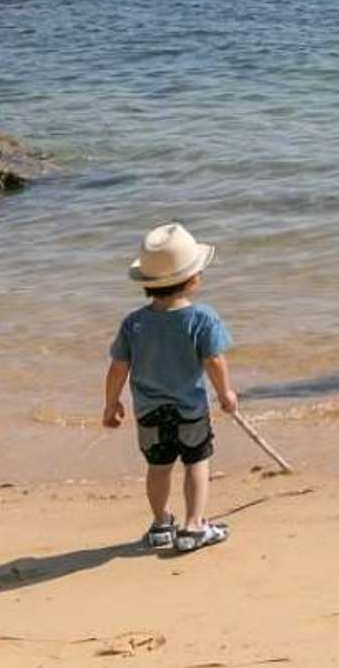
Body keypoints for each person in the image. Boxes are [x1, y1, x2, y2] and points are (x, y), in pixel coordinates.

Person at [102, 222, 239, 552]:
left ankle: (162, 524)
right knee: (196, 462)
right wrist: (225, 394)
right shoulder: (201, 319)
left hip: (149, 413)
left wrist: (111, 403)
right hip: (190, 409)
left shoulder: (134, 323)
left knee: (158, 468)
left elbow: (118, 366)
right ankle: (193, 526)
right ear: (192, 279)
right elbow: (214, 361)